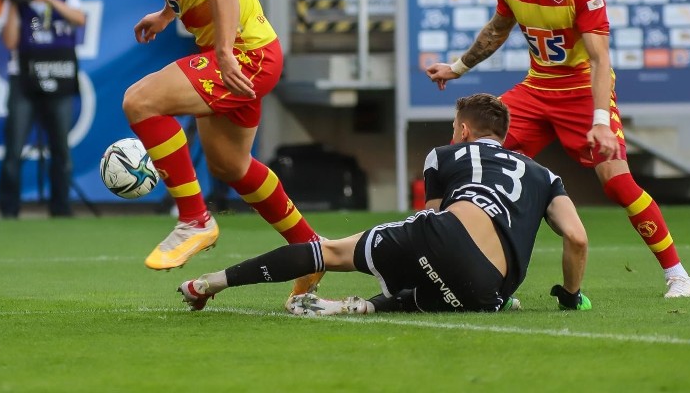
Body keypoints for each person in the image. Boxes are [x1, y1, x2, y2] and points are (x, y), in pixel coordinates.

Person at [62, 0, 323, 298]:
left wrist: (221, 51)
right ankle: (311, 249)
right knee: (231, 166)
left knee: (139, 102)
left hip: (243, 54)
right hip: (250, 51)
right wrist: (167, 14)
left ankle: (194, 219)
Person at [425, 0, 690, 299]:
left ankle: (677, 274)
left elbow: (601, 58)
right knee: (462, 161)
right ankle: (454, 270)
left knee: (616, 179)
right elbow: (498, 29)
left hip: (581, 94)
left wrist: (601, 121)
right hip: (536, 90)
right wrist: (458, 67)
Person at [178, 93, 591, 316]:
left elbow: (430, 220)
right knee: (443, 290)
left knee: (332, 251)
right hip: (490, 292)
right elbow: (576, 238)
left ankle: (209, 284)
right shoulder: (543, 174)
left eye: (453, 128)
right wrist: (570, 297)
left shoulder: (445, 155)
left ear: (464, 130)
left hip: (447, 235)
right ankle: (363, 307)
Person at [0, 0, 86, 218]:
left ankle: (60, 209)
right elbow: (10, 41)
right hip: (23, 80)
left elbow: (80, 20)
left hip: (58, 78)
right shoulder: (16, 1)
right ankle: (9, 211)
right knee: (13, 148)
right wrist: (15, 1)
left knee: (60, 148)